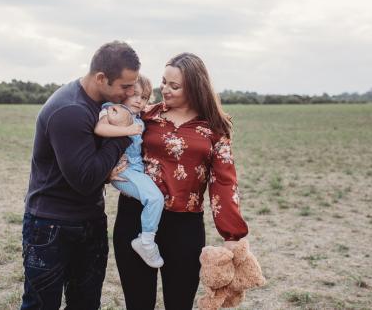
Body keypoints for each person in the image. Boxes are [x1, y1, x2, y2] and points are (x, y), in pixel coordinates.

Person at [113, 52, 249, 310]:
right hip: (136, 219)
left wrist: (232, 233)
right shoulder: (145, 116)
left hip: (184, 226)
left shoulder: (214, 128)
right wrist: (105, 171)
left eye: (174, 86)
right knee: (138, 304)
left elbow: (224, 182)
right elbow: (110, 139)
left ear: (195, 88)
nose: (165, 89)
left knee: (179, 303)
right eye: (163, 82)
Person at [21, 41, 140, 310]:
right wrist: (125, 134)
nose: (131, 92)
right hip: (51, 227)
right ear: (101, 78)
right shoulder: (70, 110)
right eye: (125, 86)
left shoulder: (101, 104)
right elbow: (86, 180)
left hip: (90, 221)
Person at [94, 75, 165, 268]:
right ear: (123, 93)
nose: (138, 101)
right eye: (134, 95)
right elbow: (100, 128)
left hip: (135, 169)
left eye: (143, 98)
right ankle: (146, 241)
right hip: (123, 170)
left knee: (153, 198)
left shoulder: (137, 116)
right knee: (155, 198)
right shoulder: (114, 109)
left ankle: (146, 238)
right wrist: (128, 130)